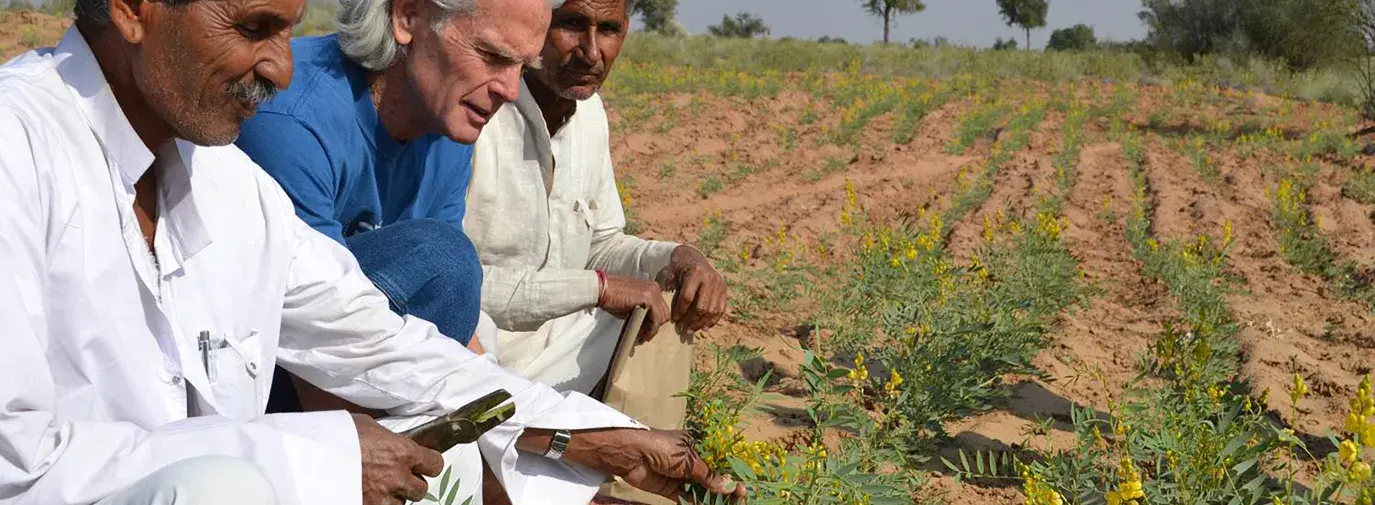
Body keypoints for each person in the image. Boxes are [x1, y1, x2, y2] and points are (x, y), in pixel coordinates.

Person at [0, 0, 749, 501]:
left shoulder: (223, 183)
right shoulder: (18, 149)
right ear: (133, 8)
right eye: (253, 27)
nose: (280, 69)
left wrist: (590, 435)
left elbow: (380, 342)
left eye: (287, 31)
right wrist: (320, 456)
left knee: (445, 453)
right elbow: (19, 466)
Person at [465, 0, 727, 401]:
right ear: (530, 21)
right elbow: (453, 285)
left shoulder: (589, 114)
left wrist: (677, 259)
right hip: (472, 356)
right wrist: (598, 289)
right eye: (570, 24)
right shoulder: (478, 112)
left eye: (608, 30)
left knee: (657, 311)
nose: (591, 52)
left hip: (557, 351)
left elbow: (601, 245)